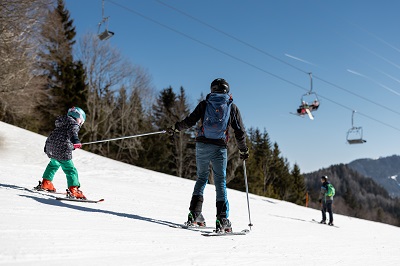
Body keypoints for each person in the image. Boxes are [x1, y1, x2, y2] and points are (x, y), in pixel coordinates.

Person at [167, 78, 249, 233]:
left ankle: (194, 214)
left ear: (212, 90)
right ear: (227, 91)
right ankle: (222, 218)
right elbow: (239, 132)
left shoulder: (205, 104)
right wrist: (243, 150)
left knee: (202, 178)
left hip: (202, 145)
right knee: (220, 182)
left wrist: (175, 128)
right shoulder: (231, 107)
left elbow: (190, 121)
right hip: (219, 147)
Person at [37, 106, 87, 199]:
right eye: (81, 121)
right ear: (77, 117)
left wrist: (72, 145)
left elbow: (59, 136)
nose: (80, 123)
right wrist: (75, 141)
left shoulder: (61, 122)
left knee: (53, 164)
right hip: (62, 150)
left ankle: (46, 183)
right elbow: (73, 132)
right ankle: (73, 189)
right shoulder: (73, 124)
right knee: (70, 169)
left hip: (51, 148)